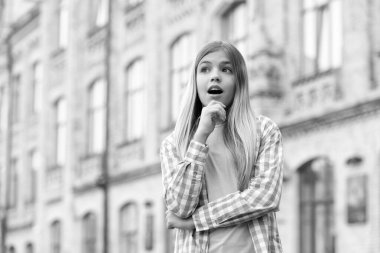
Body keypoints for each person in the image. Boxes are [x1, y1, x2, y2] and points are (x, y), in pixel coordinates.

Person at [160, 41, 283, 253]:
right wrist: (200, 138)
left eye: (226, 69)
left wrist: (196, 221)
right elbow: (179, 207)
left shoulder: (264, 130)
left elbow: (264, 196)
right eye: (205, 69)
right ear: (195, 80)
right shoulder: (174, 143)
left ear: (239, 81)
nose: (215, 76)